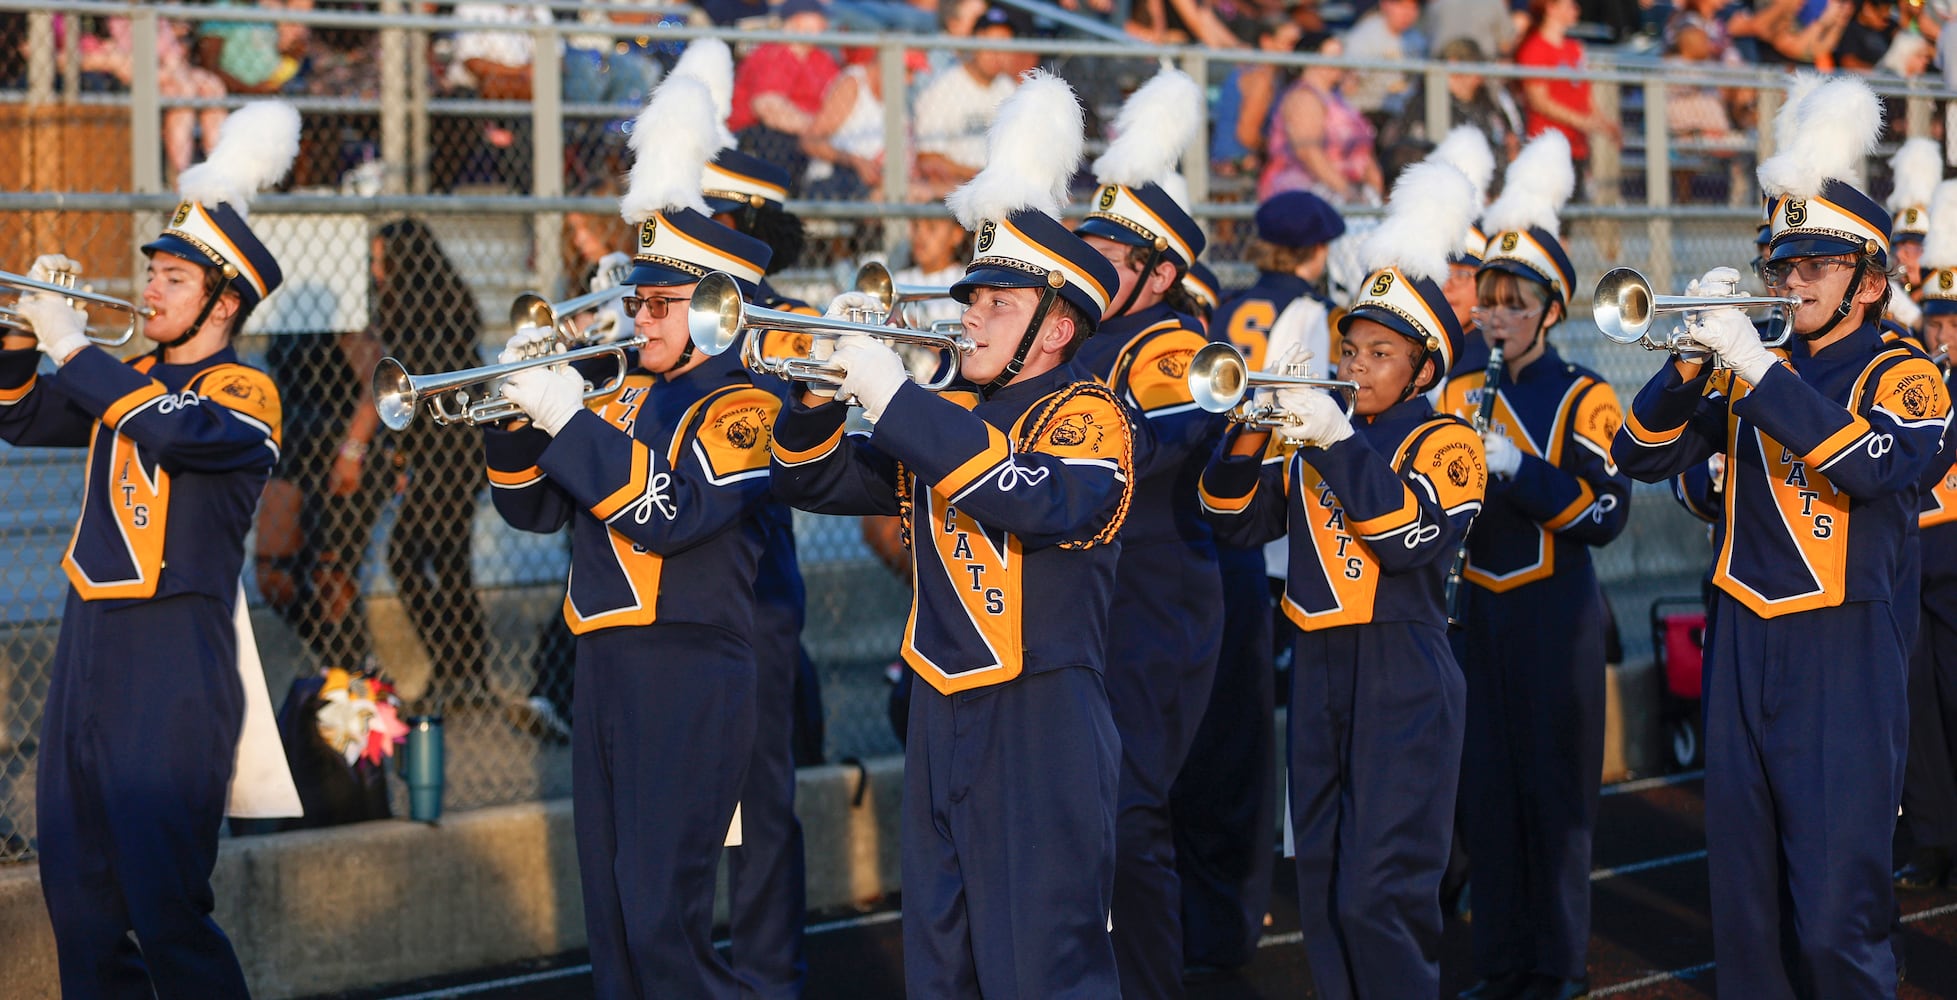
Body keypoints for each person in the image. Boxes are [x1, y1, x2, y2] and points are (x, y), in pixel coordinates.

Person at [769, 69, 1132, 997]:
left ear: (1056, 329)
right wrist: (817, 392)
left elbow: (1033, 500)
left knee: (1042, 966)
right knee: (941, 961)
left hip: (1041, 712)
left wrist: (894, 397)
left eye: (998, 305)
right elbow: (811, 479)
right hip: (941, 708)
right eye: (972, 299)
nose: (970, 316)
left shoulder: (1089, 415)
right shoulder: (946, 414)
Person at [1611, 75, 1950, 996]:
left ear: (1869, 281)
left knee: (1836, 916)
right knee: (1746, 912)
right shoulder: (1746, 364)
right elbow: (1636, 456)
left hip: (1841, 648)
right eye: (1779, 267)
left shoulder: (1904, 372)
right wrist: (1689, 363)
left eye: (1812, 267)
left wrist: (1753, 368)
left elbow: (1876, 466)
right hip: (1738, 638)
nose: (1789, 283)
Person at [481, 77, 780, 997]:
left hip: (688, 667)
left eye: (659, 302)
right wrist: (513, 414)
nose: (638, 315)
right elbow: (533, 511)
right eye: (638, 299)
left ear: (717, 307)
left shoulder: (743, 403)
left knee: (661, 923)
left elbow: (670, 514)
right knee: (613, 924)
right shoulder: (617, 393)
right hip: (605, 663)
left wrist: (567, 416)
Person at [0, 101, 302, 999]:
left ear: (224, 300)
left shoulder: (245, 391)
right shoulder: (123, 377)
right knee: (80, 904)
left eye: (174, 278)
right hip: (88, 643)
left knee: (165, 906)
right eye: (153, 273)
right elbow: (20, 415)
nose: (150, 291)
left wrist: (69, 343)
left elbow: (173, 430)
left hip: (174, 653)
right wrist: (22, 331)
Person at [1201, 157, 1486, 1000]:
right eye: (1350, 349)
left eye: (1380, 354)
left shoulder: (1447, 442)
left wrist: (1328, 438)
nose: (1355, 366)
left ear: (1424, 369)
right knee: (1324, 888)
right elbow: (1229, 519)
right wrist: (1250, 427)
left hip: (1403, 669)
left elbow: (1405, 539)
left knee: (1379, 894)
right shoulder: (1321, 440)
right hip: (1319, 662)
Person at [1440, 130, 1631, 1000]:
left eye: (1514, 305)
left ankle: (1556, 962)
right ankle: (1500, 959)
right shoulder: (1454, 391)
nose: (1495, 318)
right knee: (1484, 794)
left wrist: (1517, 470)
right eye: (1488, 303)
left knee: (1554, 801)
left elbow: (1605, 515)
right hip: (1475, 615)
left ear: (1550, 312)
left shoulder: (1583, 393)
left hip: (1554, 617)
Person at [1065, 67, 1222, 1000]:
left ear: (1159, 273)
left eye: (1109, 254)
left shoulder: (1171, 343)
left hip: (1150, 601)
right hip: (1083, 598)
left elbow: (1145, 443)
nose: (1086, 264)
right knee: (1079, 824)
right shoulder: (1079, 334)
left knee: (1127, 819)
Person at [1173, 187, 1343, 980]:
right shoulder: (1309, 313)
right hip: (1273, 528)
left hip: (1223, 505)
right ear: (1316, 251)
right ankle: (1241, 915)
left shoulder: (1227, 305)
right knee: (1249, 737)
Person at [369, 219, 497, 713]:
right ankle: (465, 672)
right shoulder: (441, 308)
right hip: (453, 454)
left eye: (383, 260)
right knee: (448, 563)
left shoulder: (425, 319)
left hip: (449, 454)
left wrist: (403, 454)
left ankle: (455, 668)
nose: (377, 271)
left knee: (408, 557)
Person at [1897, 177, 1957, 891]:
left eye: (1954, 323)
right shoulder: (1917, 378)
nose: (1943, 336)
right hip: (1916, 554)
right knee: (1917, 704)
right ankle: (1935, 840)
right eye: (1937, 322)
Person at [912, 6, 1031, 197]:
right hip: (959, 189)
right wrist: (978, 174)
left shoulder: (1009, 89)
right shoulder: (944, 87)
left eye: (1004, 46)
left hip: (1003, 187)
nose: (997, 54)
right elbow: (929, 158)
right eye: (990, 44)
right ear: (974, 43)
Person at [1258, 31, 1385, 204]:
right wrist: (1348, 193)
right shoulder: (1303, 97)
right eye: (1332, 57)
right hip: (1307, 193)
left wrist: (1373, 188)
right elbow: (1309, 153)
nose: (1339, 63)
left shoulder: (1337, 99)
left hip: (1347, 189)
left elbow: (1363, 149)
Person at [728, 0, 839, 191]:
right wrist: (818, 131)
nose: (824, 24)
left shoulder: (820, 57)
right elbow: (769, 109)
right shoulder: (774, 52)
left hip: (810, 135)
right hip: (758, 136)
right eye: (817, 18)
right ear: (797, 21)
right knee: (782, 144)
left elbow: (838, 100)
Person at [1513, 0, 1619, 191]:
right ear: (1551, 8)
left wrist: (1604, 123)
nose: (1576, 9)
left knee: (1576, 201)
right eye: (1569, 5)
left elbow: (1586, 96)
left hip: (1577, 145)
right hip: (1548, 146)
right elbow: (1539, 101)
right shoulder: (1535, 47)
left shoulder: (1575, 47)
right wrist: (1580, 121)